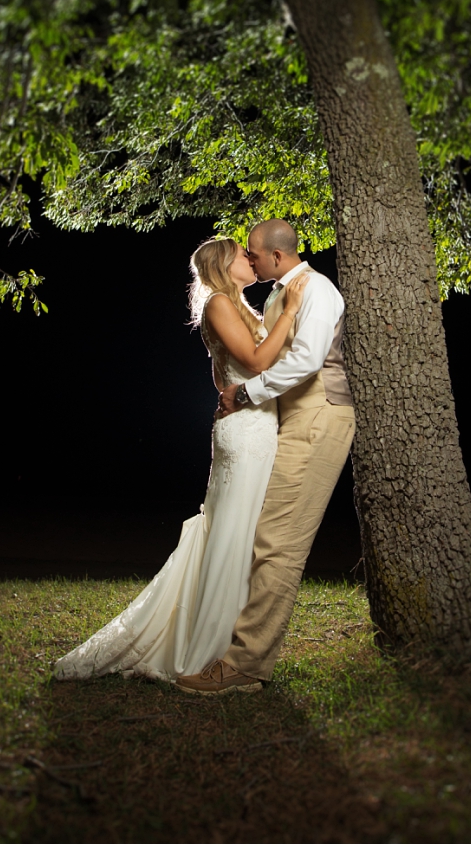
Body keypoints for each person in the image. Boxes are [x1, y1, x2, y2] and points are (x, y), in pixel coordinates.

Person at [53, 238, 308, 682]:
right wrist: (290, 313)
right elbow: (252, 359)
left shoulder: (235, 306)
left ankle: (231, 640)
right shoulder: (218, 306)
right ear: (224, 266)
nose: (250, 259)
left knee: (242, 533)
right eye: (241, 256)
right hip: (246, 433)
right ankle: (211, 648)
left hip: (253, 425)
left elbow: (222, 373)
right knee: (233, 533)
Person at [175, 218, 357, 695]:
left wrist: (246, 394)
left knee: (277, 542)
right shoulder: (278, 292)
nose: (249, 262)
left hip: (318, 415)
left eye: (252, 255)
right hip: (286, 419)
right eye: (243, 256)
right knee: (263, 535)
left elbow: (306, 360)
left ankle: (245, 665)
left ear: (275, 256)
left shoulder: (315, 289)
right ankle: (233, 645)